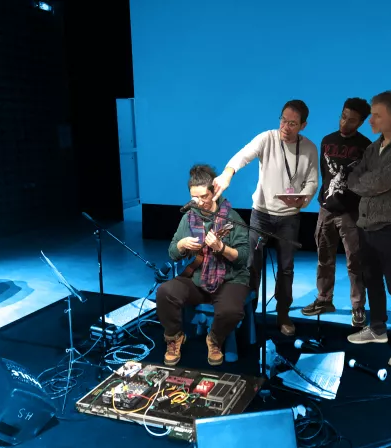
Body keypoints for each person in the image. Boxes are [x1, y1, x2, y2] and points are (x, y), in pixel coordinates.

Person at [212, 100, 319, 336]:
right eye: (283, 119)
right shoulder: (267, 138)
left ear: (303, 125)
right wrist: (228, 174)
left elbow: (313, 181)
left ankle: (283, 315)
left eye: (292, 123)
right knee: (252, 265)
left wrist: (303, 199)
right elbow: (243, 155)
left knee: (286, 269)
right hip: (261, 215)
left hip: (290, 218)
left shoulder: (310, 148)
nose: (286, 126)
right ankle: (247, 314)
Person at [344, 91, 391, 368]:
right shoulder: (373, 148)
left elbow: (379, 181)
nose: (371, 120)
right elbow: (356, 176)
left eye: (376, 115)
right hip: (366, 225)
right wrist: (364, 182)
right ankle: (377, 329)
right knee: (371, 280)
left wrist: (364, 183)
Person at [156, 164, 250, 366]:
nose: (198, 202)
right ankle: (174, 337)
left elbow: (243, 257)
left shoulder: (232, 218)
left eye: (203, 197)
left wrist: (222, 247)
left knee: (232, 311)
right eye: (194, 198)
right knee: (165, 292)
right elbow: (173, 253)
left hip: (229, 279)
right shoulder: (188, 218)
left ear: (214, 192)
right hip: (197, 277)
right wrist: (181, 245)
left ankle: (214, 338)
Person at [301, 98, 372, 328]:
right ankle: (324, 300)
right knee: (324, 258)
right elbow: (325, 175)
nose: (345, 122)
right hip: (326, 210)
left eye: (352, 120)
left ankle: (358, 307)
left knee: (355, 262)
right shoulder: (327, 141)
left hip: (351, 213)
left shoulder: (366, 146)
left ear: (361, 122)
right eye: (343, 116)